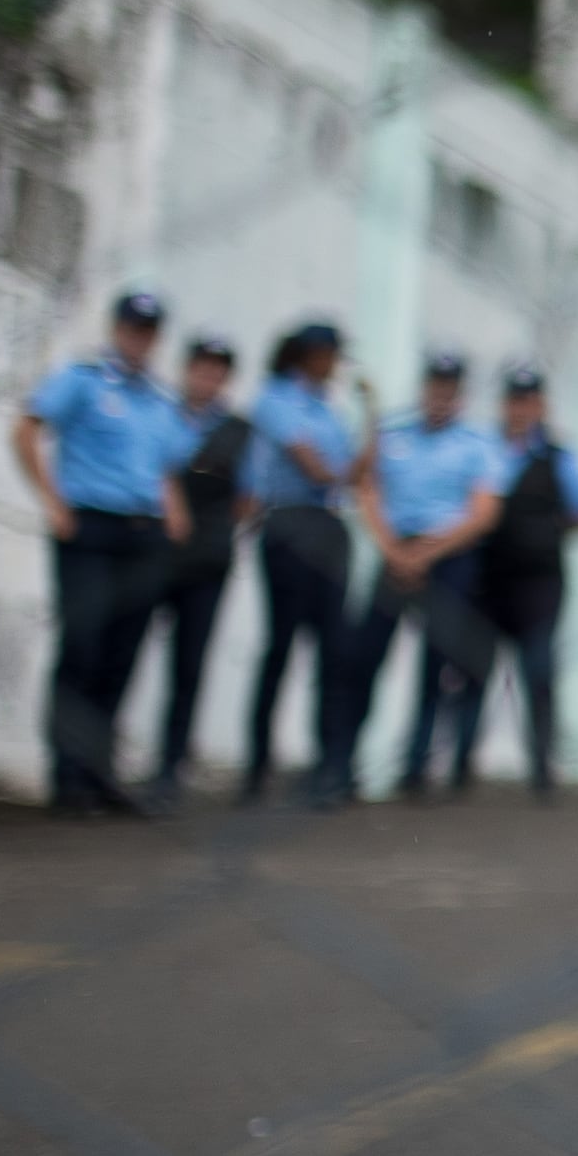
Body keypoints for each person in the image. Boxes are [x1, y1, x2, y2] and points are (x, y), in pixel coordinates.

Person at [13, 286, 199, 817]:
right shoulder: (83, 380)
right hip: (89, 529)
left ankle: (99, 773)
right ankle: (65, 775)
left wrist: (175, 514)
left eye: (149, 331)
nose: (139, 339)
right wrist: (51, 501)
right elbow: (27, 430)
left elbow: (165, 469)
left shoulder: (163, 404)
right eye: (132, 328)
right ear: (116, 328)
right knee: (83, 647)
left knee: (123, 653)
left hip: (143, 538)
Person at [347, 350, 504, 799]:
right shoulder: (393, 434)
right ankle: (343, 761)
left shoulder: (475, 444)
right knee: (364, 658)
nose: (441, 396)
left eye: (450, 388)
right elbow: (365, 488)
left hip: (446, 558)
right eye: (435, 385)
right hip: (395, 551)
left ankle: (416, 767)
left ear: (460, 394)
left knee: (434, 667)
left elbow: (482, 514)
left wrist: (427, 553)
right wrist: (392, 548)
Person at [235, 321, 364, 807]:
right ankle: (257, 766)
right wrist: (350, 471)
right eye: (329, 355)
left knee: (335, 650)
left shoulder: (330, 409)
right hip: (289, 525)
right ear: (309, 355)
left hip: (328, 526)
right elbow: (319, 468)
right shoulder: (277, 399)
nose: (334, 365)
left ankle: (330, 767)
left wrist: (370, 426)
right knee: (281, 648)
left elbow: (350, 472)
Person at [472, 361, 578, 796]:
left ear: (541, 405)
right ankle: (456, 769)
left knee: (538, 672)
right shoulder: (484, 448)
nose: (521, 409)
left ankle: (543, 768)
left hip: (539, 583)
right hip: (489, 580)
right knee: (471, 670)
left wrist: (541, 530)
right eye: (514, 400)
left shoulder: (559, 457)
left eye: (529, 400)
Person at [150, 334, 250, 805]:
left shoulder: (238, 431)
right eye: (201, 367)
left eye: (217, 370)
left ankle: (170, 767)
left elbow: (249, 498)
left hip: (207, 559)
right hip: (150, 555)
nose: (207, 378)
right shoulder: (157, 411)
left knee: (188, 665)